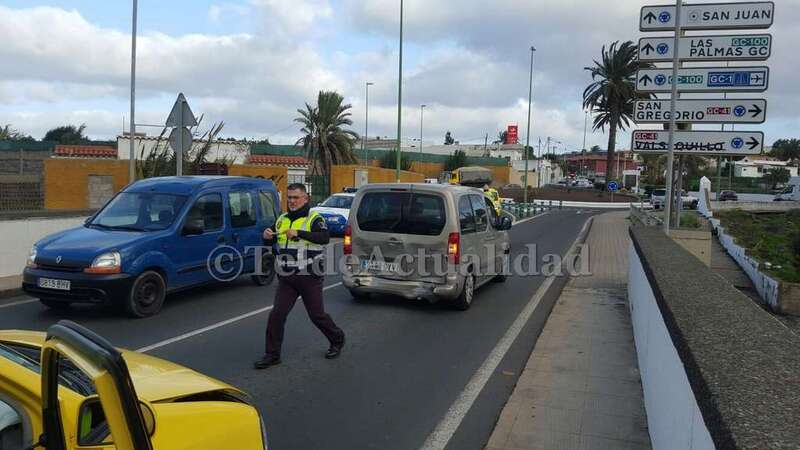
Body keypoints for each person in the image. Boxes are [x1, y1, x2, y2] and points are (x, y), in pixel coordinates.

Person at [254, 184, 345, 369]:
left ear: (306, 198)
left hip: (309, 275)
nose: (292, 201)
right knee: (277, 315)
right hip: (287, 276)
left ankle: (337, 338)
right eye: (289, 198)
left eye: (296, 197)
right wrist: (267, 235)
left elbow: (324, 238)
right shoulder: (282, 219)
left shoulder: (314, 218)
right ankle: (272, 355)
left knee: (316, 315)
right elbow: (270, 240)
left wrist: (299, 233)